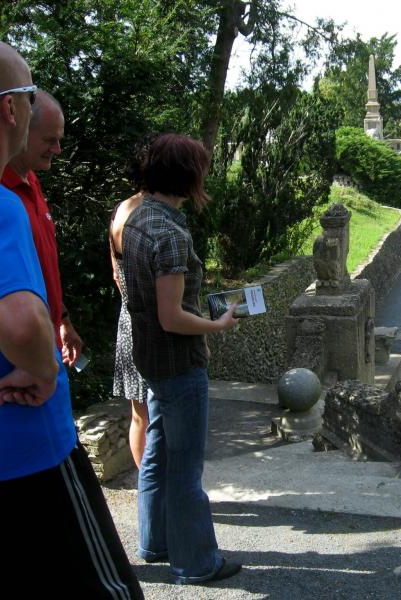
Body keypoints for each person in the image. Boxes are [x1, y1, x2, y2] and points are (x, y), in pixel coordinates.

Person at [0, 37, 142, 598]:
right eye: (28, 96)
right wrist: (41, 368)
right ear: (9, 109)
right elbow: (19, 323)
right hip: (29, 443)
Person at [122, 133, 242, 585]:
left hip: (150, 359)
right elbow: (171, 317)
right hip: (179, 364)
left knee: (157, 451)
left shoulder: (138, 218)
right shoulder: (170, 233)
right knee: (186, 468)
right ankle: (197, 563)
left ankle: (155, 542)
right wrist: (218, 325)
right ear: (188, 176)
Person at [1, 90, 84, 366]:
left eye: (59, 140)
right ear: (21, 129)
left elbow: (43, 265)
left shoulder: (32, 181)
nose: (57, 149)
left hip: (48, 345)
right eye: (49, 140)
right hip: (20, 359)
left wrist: (63, 320)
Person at [110, 139, 153, 469]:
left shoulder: (121, 209)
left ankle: (146, 485)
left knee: (139, 415)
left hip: (128, 319)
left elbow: (116, 274)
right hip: (151, 325)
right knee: (160, 415)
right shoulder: (150, 214)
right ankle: (158, 485)